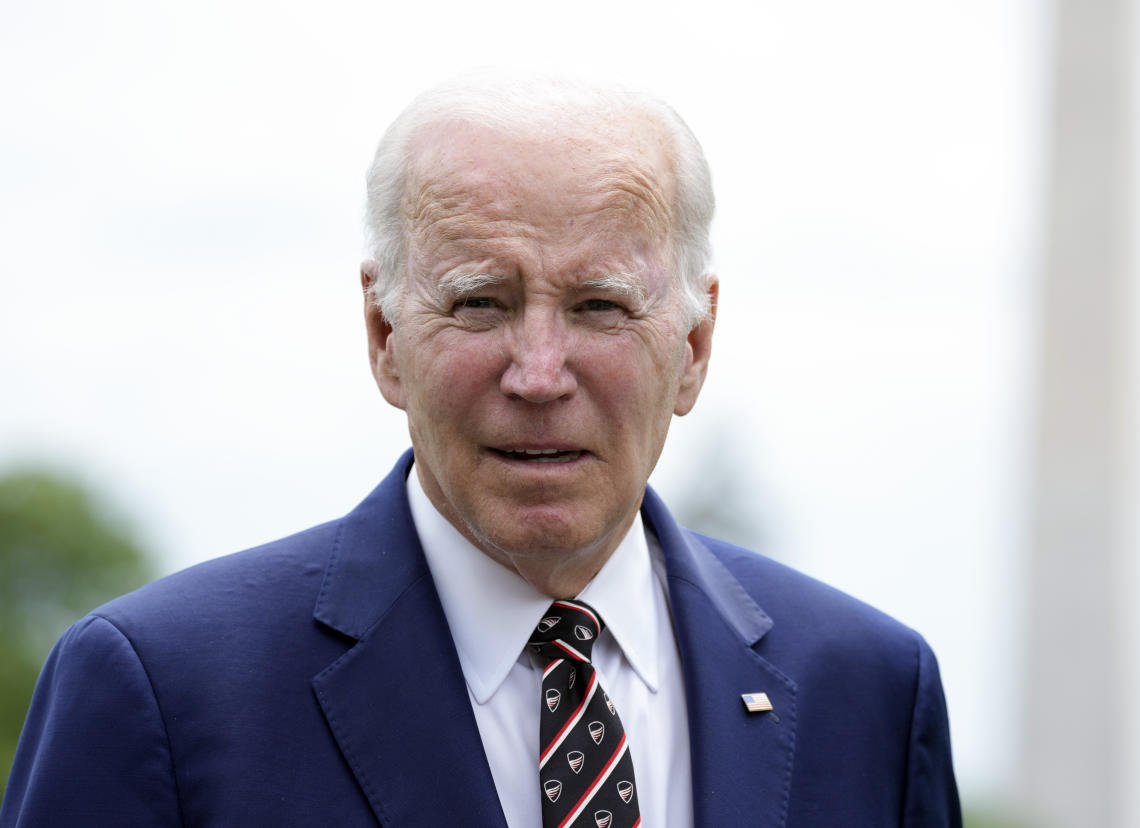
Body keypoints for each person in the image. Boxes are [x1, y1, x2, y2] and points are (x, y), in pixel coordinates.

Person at [0, 76, 961, 827]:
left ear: (693, 351)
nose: (539, 373)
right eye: (479, 302)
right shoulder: (161, 694)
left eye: (600, 307)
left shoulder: (869, 695)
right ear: (384, 337)